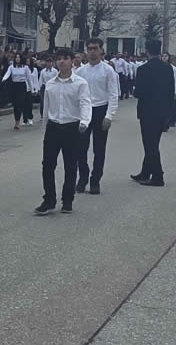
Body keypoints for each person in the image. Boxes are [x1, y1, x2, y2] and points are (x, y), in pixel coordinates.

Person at [34, 49, 92, 216]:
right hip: (53, 128)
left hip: (72, 127)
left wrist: (84, 121)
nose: (61, 62)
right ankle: (49, 200)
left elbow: (85, 103)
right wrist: (45, 127)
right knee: (48, 165)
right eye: (58, 59)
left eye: (65, 58)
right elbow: (46, 108)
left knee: (70, 165)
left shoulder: (80, 83)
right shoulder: (51, 84)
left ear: (72, 61)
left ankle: (67, 200)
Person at [73, 38, 119, 195]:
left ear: (101, 50)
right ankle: (83, 177)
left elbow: (113, 94)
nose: (92, 52)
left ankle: (95, 180)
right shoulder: (80, 71)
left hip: (101, 110)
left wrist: (109, 116)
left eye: (95, 48)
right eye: (90, 49)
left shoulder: (108, 70)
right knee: (80, 148)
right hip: (84, 112)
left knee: (99, 149)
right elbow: (75, 94)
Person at [132, 40, 175, 188]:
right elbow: (171, 91)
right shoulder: (168, 68)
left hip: (147, 111)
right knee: (153, 142)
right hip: (163, 110)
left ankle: (158, 176)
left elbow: (138, 92)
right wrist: (170, 112)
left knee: (150, 144)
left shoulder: (143, 69)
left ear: (147, 51)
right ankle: (145, 172)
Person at [2, 52, 34, 129]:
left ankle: (17, 123)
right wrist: (4, 79)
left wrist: (32, 89)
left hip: (22, 86)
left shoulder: (25, 67)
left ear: (21, 58)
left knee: (19, 104)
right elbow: (7, 74)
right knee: (15, 105)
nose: (17, 59)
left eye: (19, 57)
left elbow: (29, 79)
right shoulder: (11, 67)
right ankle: (16, 120)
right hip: (14, 86)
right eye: (16, 57)